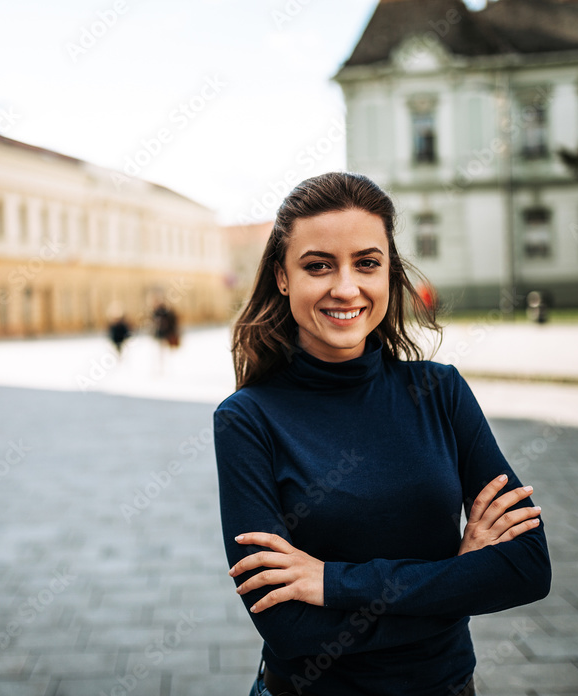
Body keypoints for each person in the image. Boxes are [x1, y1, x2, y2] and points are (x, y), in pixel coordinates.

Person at [213, 172, 550, 696]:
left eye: (366, 263)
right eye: (318, 265)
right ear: (282, 277)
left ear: (389, 272)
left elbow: (527, 567)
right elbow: (291, 630)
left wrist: (332, 582)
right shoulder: (247, 419)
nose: (345, 287)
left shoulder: (441, 391)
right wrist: (457, 582)